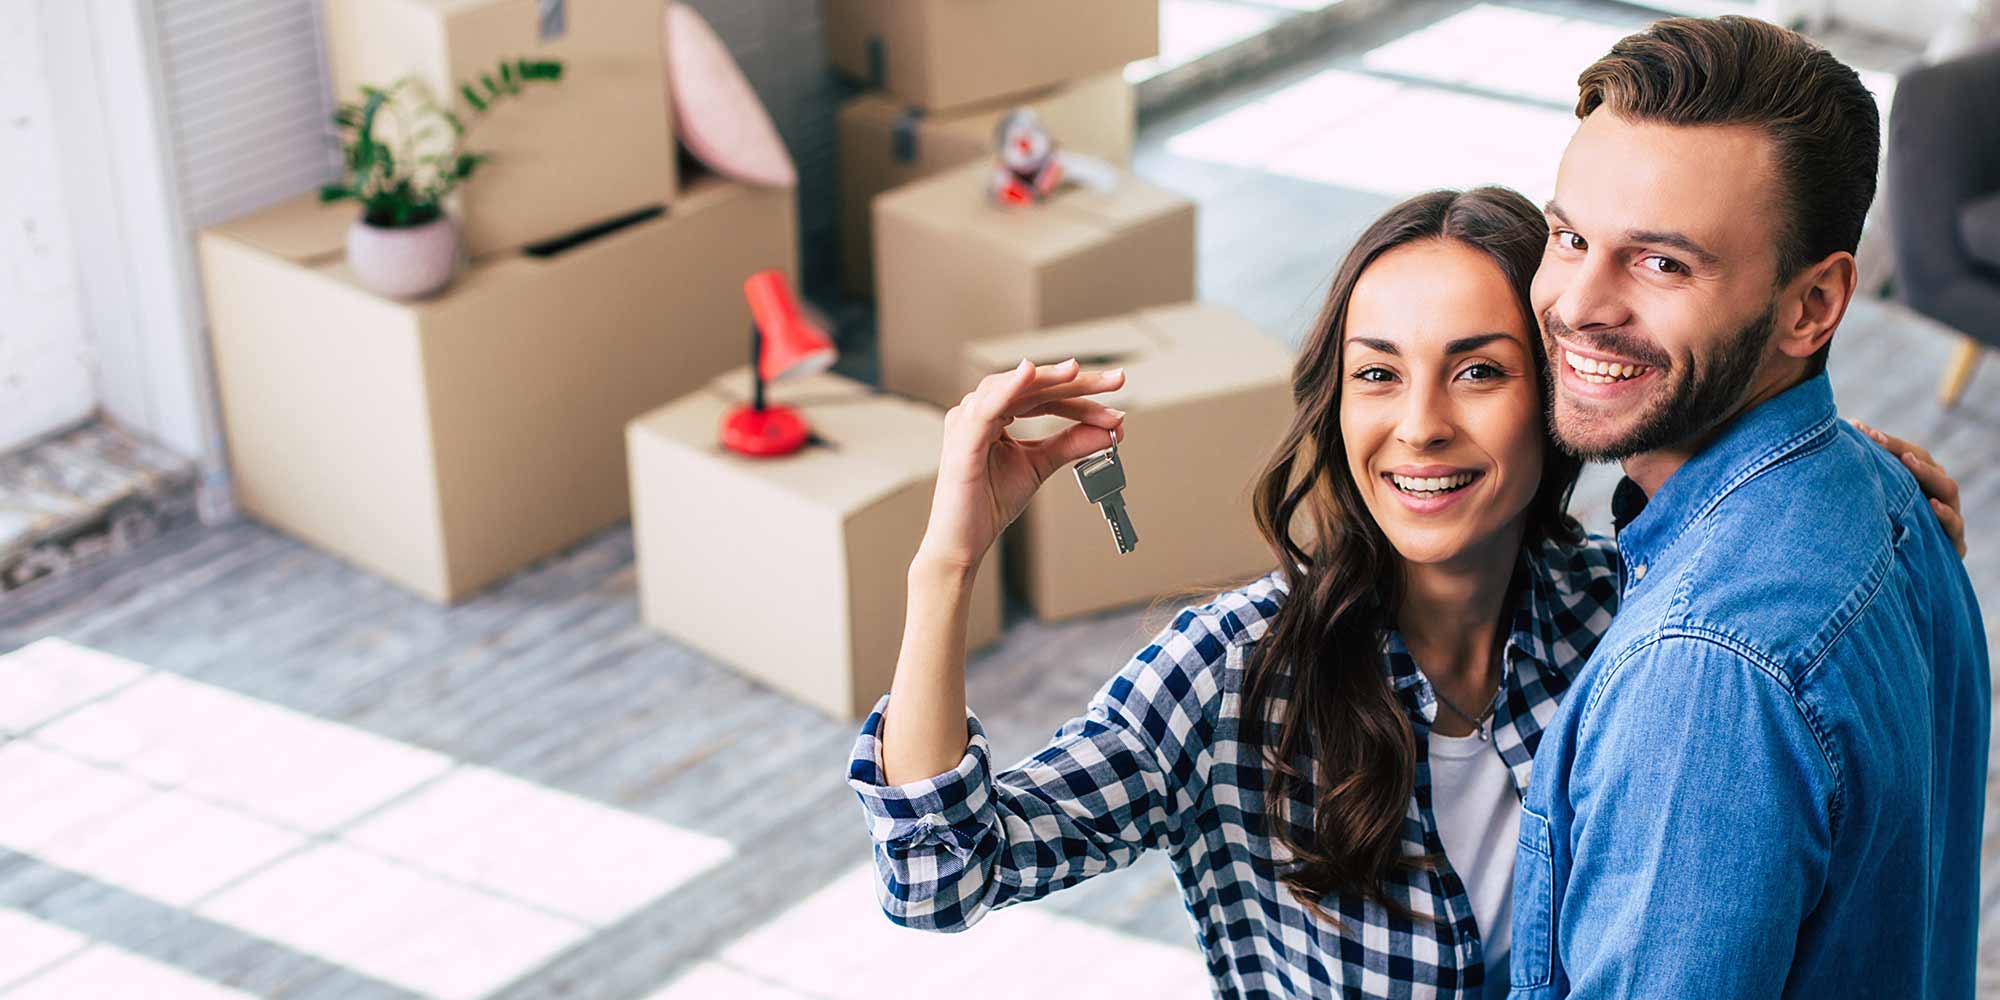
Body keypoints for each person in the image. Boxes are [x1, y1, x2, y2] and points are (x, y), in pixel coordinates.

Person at [843, 182, 1969, 996]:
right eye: (1376, 373)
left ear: (1555, 397)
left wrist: (1843, 481)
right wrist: (944, 563)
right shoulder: (1233, 673)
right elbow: (941, 873)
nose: (1419, 423)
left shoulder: (1627, 616)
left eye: (1478, 370)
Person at [1507, 16, 1988, 999]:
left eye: (1661, 263)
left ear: (1810, 305)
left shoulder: (1703, 679)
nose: (1575, 303)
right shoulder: (1885, 489)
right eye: (1568, 237)